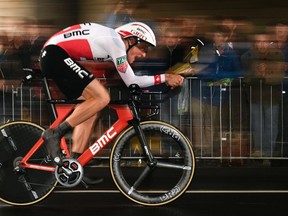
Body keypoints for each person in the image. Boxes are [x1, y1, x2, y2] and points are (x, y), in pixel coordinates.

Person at [39, 22, 184, 170]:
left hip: (55, 55)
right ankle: (55, 133)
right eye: (142, 48)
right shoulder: (116, 42)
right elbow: (132, 81)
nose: (144, 54)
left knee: (91, 110)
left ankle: (74, 166)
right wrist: (165, 77)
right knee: (102, 98)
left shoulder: (112, 41)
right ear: (130, 40)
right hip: (54, 54)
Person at [191, 24, 241, 157]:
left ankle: (207, 150)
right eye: (215, 36)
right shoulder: (206, 50)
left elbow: (236, 72)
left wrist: (222, 78)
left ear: (225, 38)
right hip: (200, 91)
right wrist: (214, 77)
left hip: (216, 94)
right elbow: (200, 69)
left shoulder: (231, 54)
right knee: (198, 122)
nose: (217, 39)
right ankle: (198, 148)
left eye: (220, 36)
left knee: (210, 123)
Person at [241, 30, 285, 157]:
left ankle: (268, 153)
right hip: (254, 96)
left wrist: (264, 74)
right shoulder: (248, 56)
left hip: (272, 96)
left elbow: (279, 76)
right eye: (259, 42)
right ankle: (259, 152)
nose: (262, 44)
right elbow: (247, 76)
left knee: (271, 127)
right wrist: (259, 73)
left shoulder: (278, 54)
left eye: (264, 41)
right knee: (257, 126)